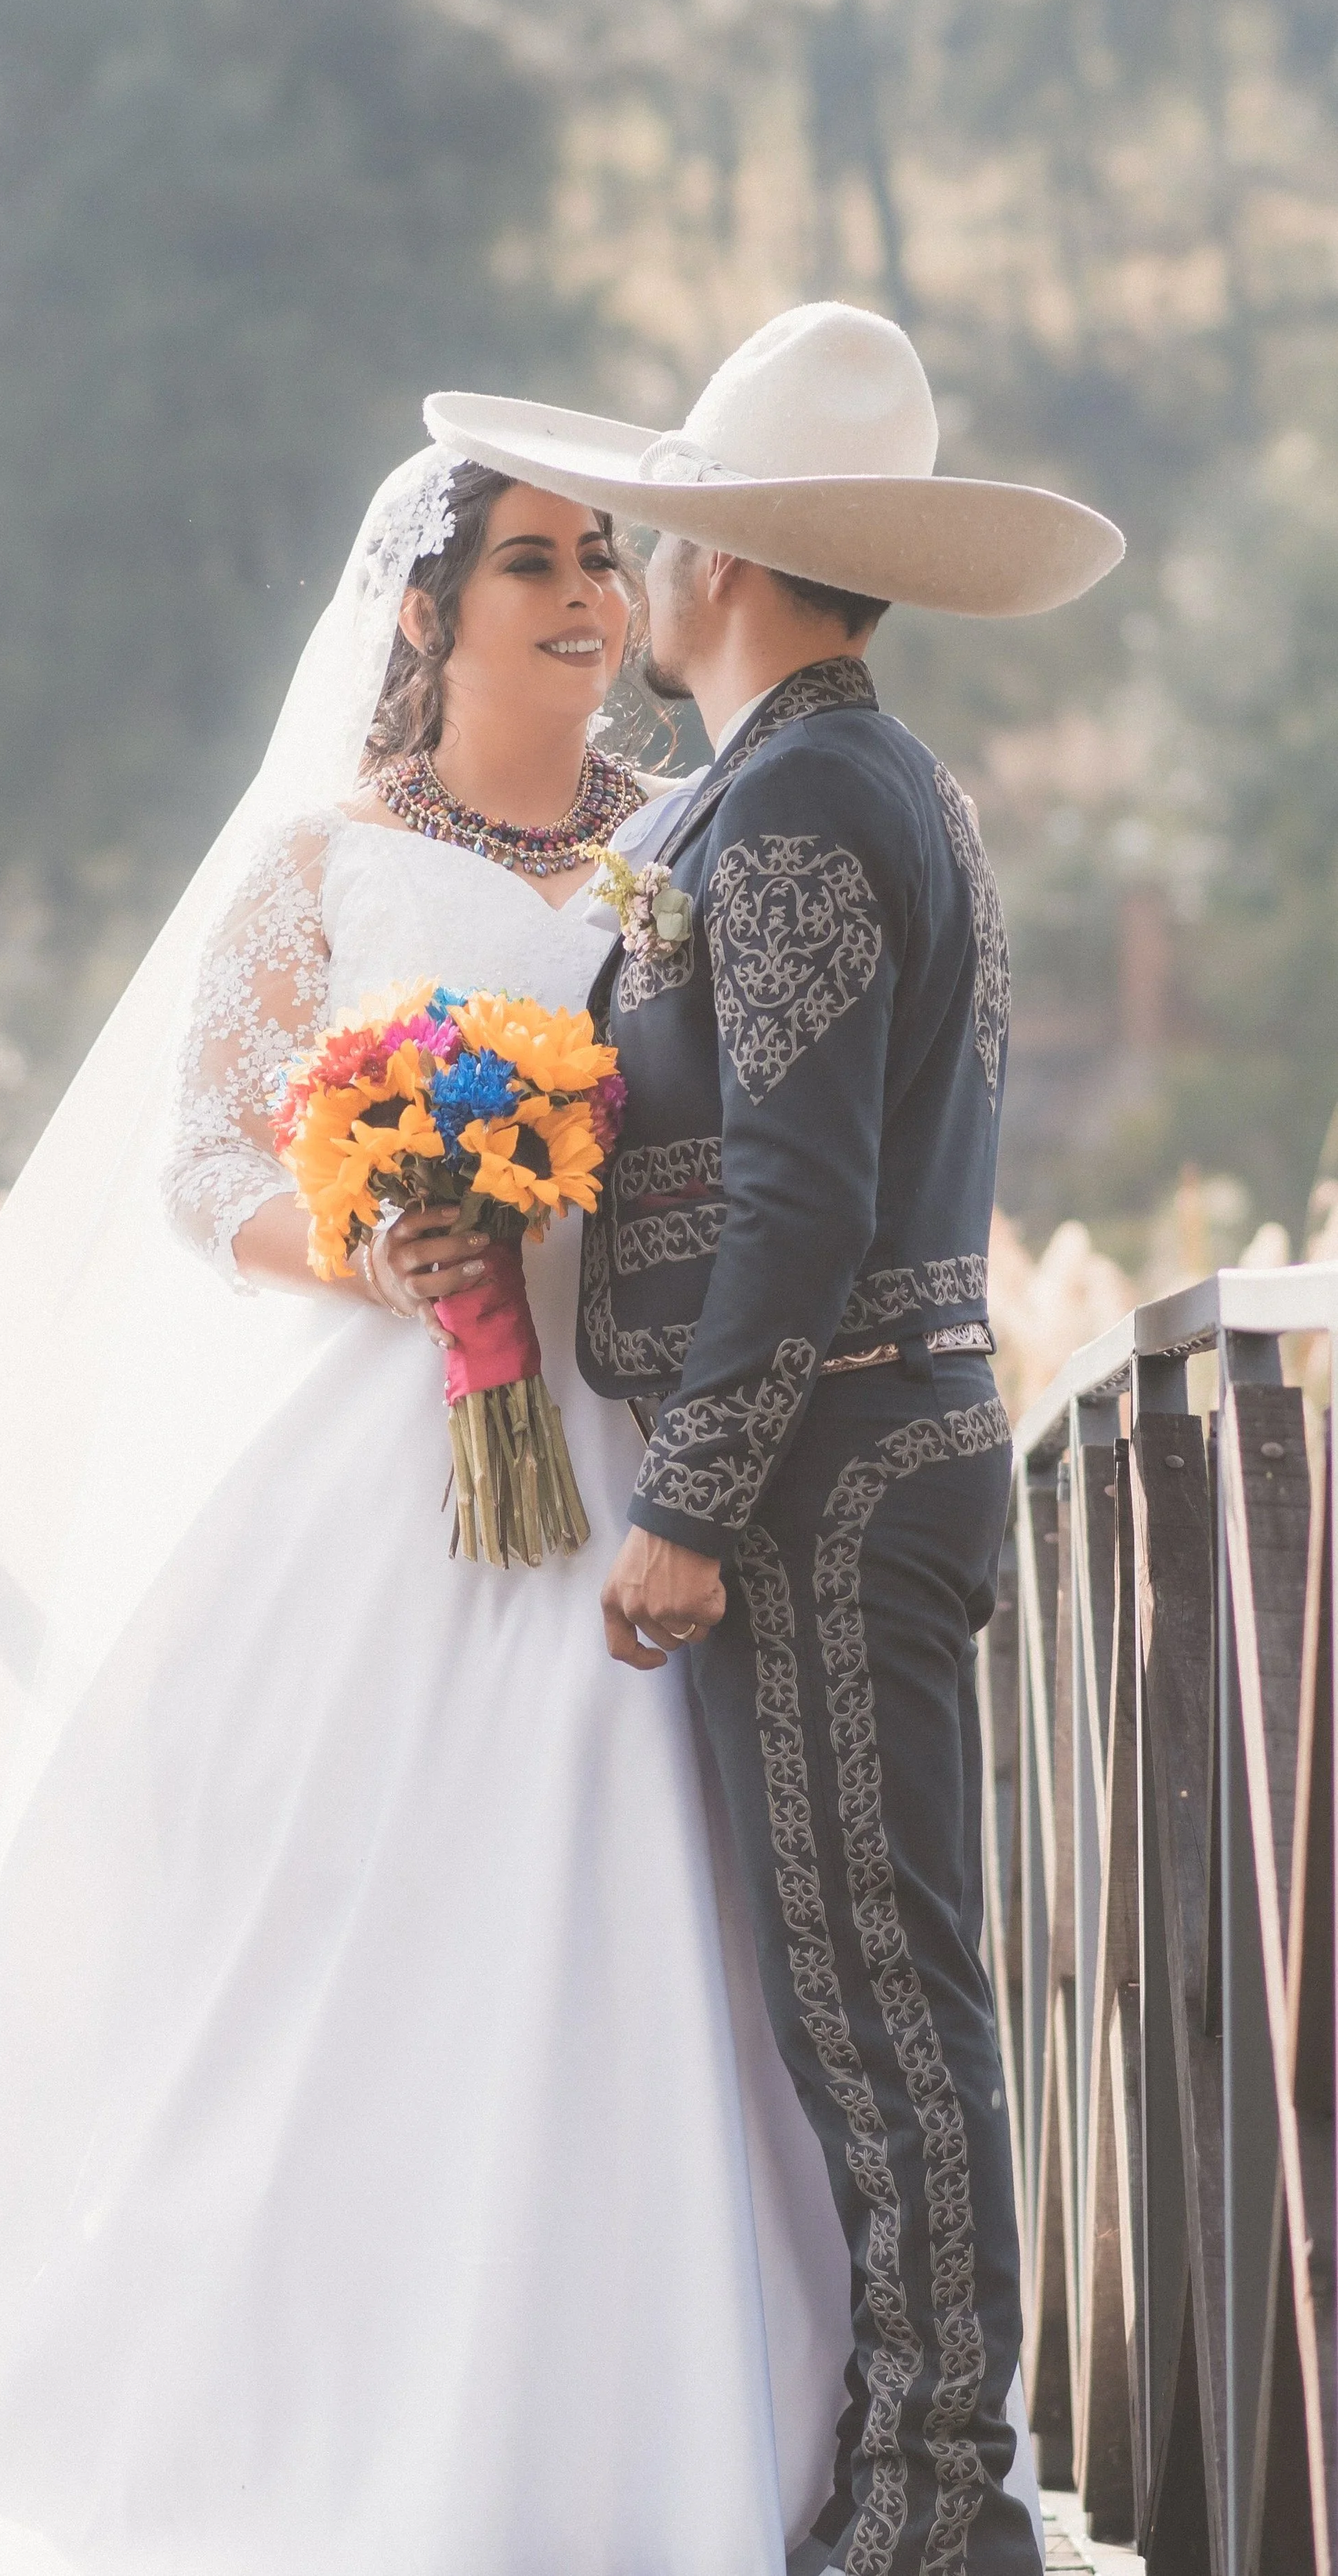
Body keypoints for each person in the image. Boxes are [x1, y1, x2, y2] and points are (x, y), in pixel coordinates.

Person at [0, 444, 887, 2574]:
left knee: (621, 1920)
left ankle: (620, 2429)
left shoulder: (679, 854)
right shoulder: (325, 858)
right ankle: (296, 2426)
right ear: (423, 613)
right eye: (533, 564)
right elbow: (203, 1164)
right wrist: (380, 1245)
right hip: (371, 1469)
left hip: (623, 1461)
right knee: (326, 1933)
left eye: (602, 558)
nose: (589, 596)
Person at [427, 299, 1124, 2575]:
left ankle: (941, 2506)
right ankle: (905, 2476)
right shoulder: (803, 782)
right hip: (834, 1453)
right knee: (860, 1990)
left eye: (658, 538)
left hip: (824, 1469)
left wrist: (696, 1501)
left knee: (874, 1998)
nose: (635, 567)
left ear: (728, 565)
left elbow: (810, 1178)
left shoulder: (814, 795)